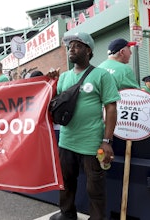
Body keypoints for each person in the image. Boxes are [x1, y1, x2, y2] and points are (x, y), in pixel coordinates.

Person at [49, 32, 120, 220]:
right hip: (66, 141)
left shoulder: (101, 75)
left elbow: (111, 108)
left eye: (77, 45)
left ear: (88, 50)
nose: (71, 49)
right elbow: (54, 104)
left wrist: (107, 140)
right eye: (70, 46)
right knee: (66, 182)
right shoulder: (63, 77)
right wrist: (51, 82)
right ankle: (67, 214)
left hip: (91, 142)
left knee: (94, 186)